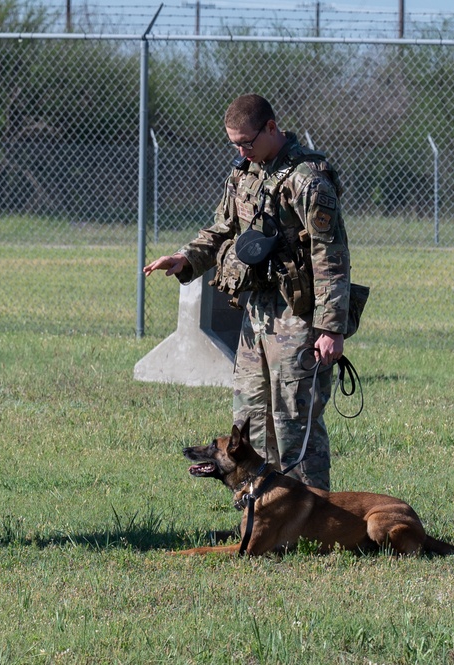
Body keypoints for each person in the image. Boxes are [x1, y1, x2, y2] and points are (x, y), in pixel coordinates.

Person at [144, 94, 351, 491]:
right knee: (251, 415)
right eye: (234, 144)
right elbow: (222, 230)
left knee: (294, 421)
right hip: (256, 313)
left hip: (298, 315)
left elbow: (332, 257)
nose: (241, 150)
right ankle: (262, 514)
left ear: (271, 128)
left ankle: (312, 517)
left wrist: (331, 328)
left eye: (246, 142)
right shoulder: (244, 173)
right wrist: (185, 259)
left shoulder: (308, 180)